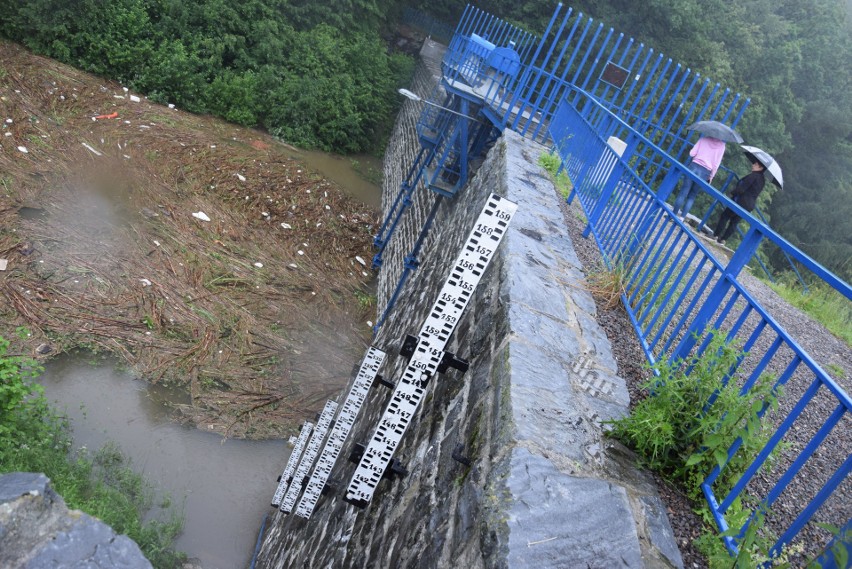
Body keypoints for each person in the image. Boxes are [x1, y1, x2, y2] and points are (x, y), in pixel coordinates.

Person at [672, 136, 726, 220]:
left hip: (694, 166)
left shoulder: (703, 138)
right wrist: (711, 176)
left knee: (683, 192)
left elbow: (692, 153)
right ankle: (682, 218)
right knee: (692, 195)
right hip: (705, 172)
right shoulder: (722, 146)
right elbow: (716, 164)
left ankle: (673, 214)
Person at [713, 160, 766, 245]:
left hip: (740, 201)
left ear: (761, 168)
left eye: (756, 164)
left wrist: (732, 193)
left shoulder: (753, 176)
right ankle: (723, 240)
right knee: (734, 222)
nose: (753, 165)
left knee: (725, 216)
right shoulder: (762, 180)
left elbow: (742, 188)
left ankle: (715, 235)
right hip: (749, 205)